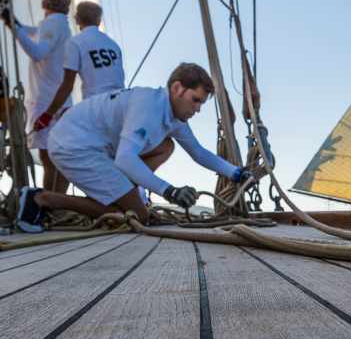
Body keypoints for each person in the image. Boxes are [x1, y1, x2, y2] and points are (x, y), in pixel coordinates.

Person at [14, 63, 250, 232]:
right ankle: (42, 199)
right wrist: (170, 192)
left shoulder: (174, 117)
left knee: (166, 146)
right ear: (177, 89)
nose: (197, 109)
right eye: (195, 100)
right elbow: (125, 160)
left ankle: (117, 193)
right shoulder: (148, 107)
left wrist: (236, 173)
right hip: (73, 144)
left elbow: (198, 152)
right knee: (137, 216)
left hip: (96, 147)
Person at [1, 0, 73, 193]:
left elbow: (38, 52)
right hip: (58, 99)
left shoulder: (52, 24)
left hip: (47, 101)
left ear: (44, 4)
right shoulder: (59, 25)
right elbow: (33, 32)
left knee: (48, 157)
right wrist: (13, 22)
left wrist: (13, 27)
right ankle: (55, 202)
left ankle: (51, 204)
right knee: (54, 156)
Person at [39, 1, 125, 122]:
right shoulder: (114, 45)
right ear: (99, 20)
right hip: (121, 105)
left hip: (97, 107)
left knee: (64, 118)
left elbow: (67, 85)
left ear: (77, 20)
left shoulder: (75, 43)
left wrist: (48, 114)